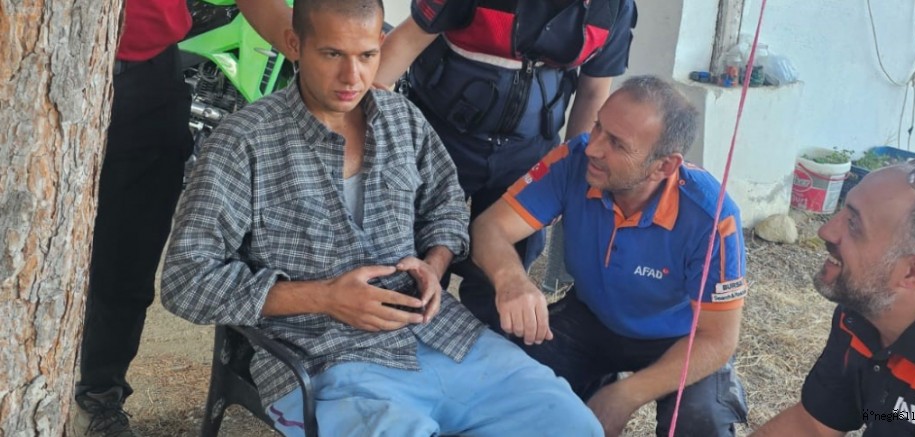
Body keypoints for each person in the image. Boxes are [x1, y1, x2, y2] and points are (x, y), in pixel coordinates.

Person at [160, 1, 602, 436]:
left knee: (572, 423)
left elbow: (446, 206)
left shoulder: (401, 119)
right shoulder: (243, 144)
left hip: (442, 336)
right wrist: (324, 298)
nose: (352, 77)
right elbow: (185, 281)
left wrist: (434, 265)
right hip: (326, 359)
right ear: (295, 44)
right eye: (332, 54)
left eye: (367, 55)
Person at [471, 75, 749, 436]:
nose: (594, 148)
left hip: (678, 339)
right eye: (599, 126)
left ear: (664, 166)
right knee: (509, 388)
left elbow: (718, 339)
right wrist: (511, 280)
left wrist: (625, 396)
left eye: (617, 143)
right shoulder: (573, 160)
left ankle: (607, 388)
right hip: (591, 318)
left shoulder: (712, 217)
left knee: (701, 419)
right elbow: (489, 228)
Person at [372, 0, 637, 325]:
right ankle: (406, 331)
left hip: (528, 152)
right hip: (438, 139)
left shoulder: (613, 8)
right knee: (413, 260)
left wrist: (571, 178)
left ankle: (485, 344)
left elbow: (593, 92)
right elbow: (401, 49)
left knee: (502, 276)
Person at [751, 160, 915, 436]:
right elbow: (812, 426)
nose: (825, 231)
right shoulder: (865, 313)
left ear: (911, 272)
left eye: (853, 224)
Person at [71, 1, 194, 435]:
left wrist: (329, 48)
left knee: (127, 259)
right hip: (31, 60)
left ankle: (98, 397)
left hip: (147, 73)